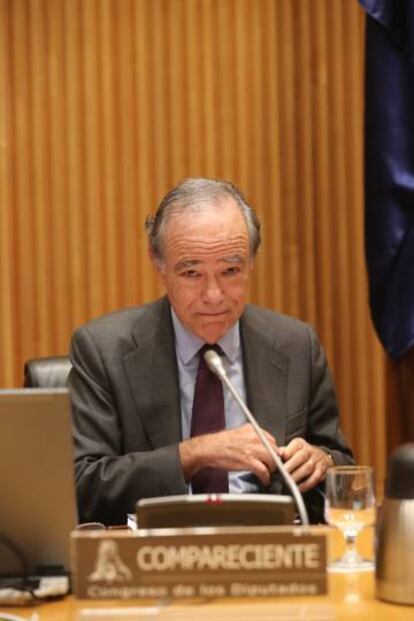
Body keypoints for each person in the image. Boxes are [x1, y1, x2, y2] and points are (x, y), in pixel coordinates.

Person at [69, 178, 354, 525]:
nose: (214, 295)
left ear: (251, 261)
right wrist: (195, 454)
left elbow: (343, 467)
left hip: (270, 555)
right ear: (158, 266)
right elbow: (79, 486)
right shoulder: (103, 350)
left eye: (230, 270)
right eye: (191, 273)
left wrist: (321, 461)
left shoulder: (295, 345)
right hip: (155, 557)